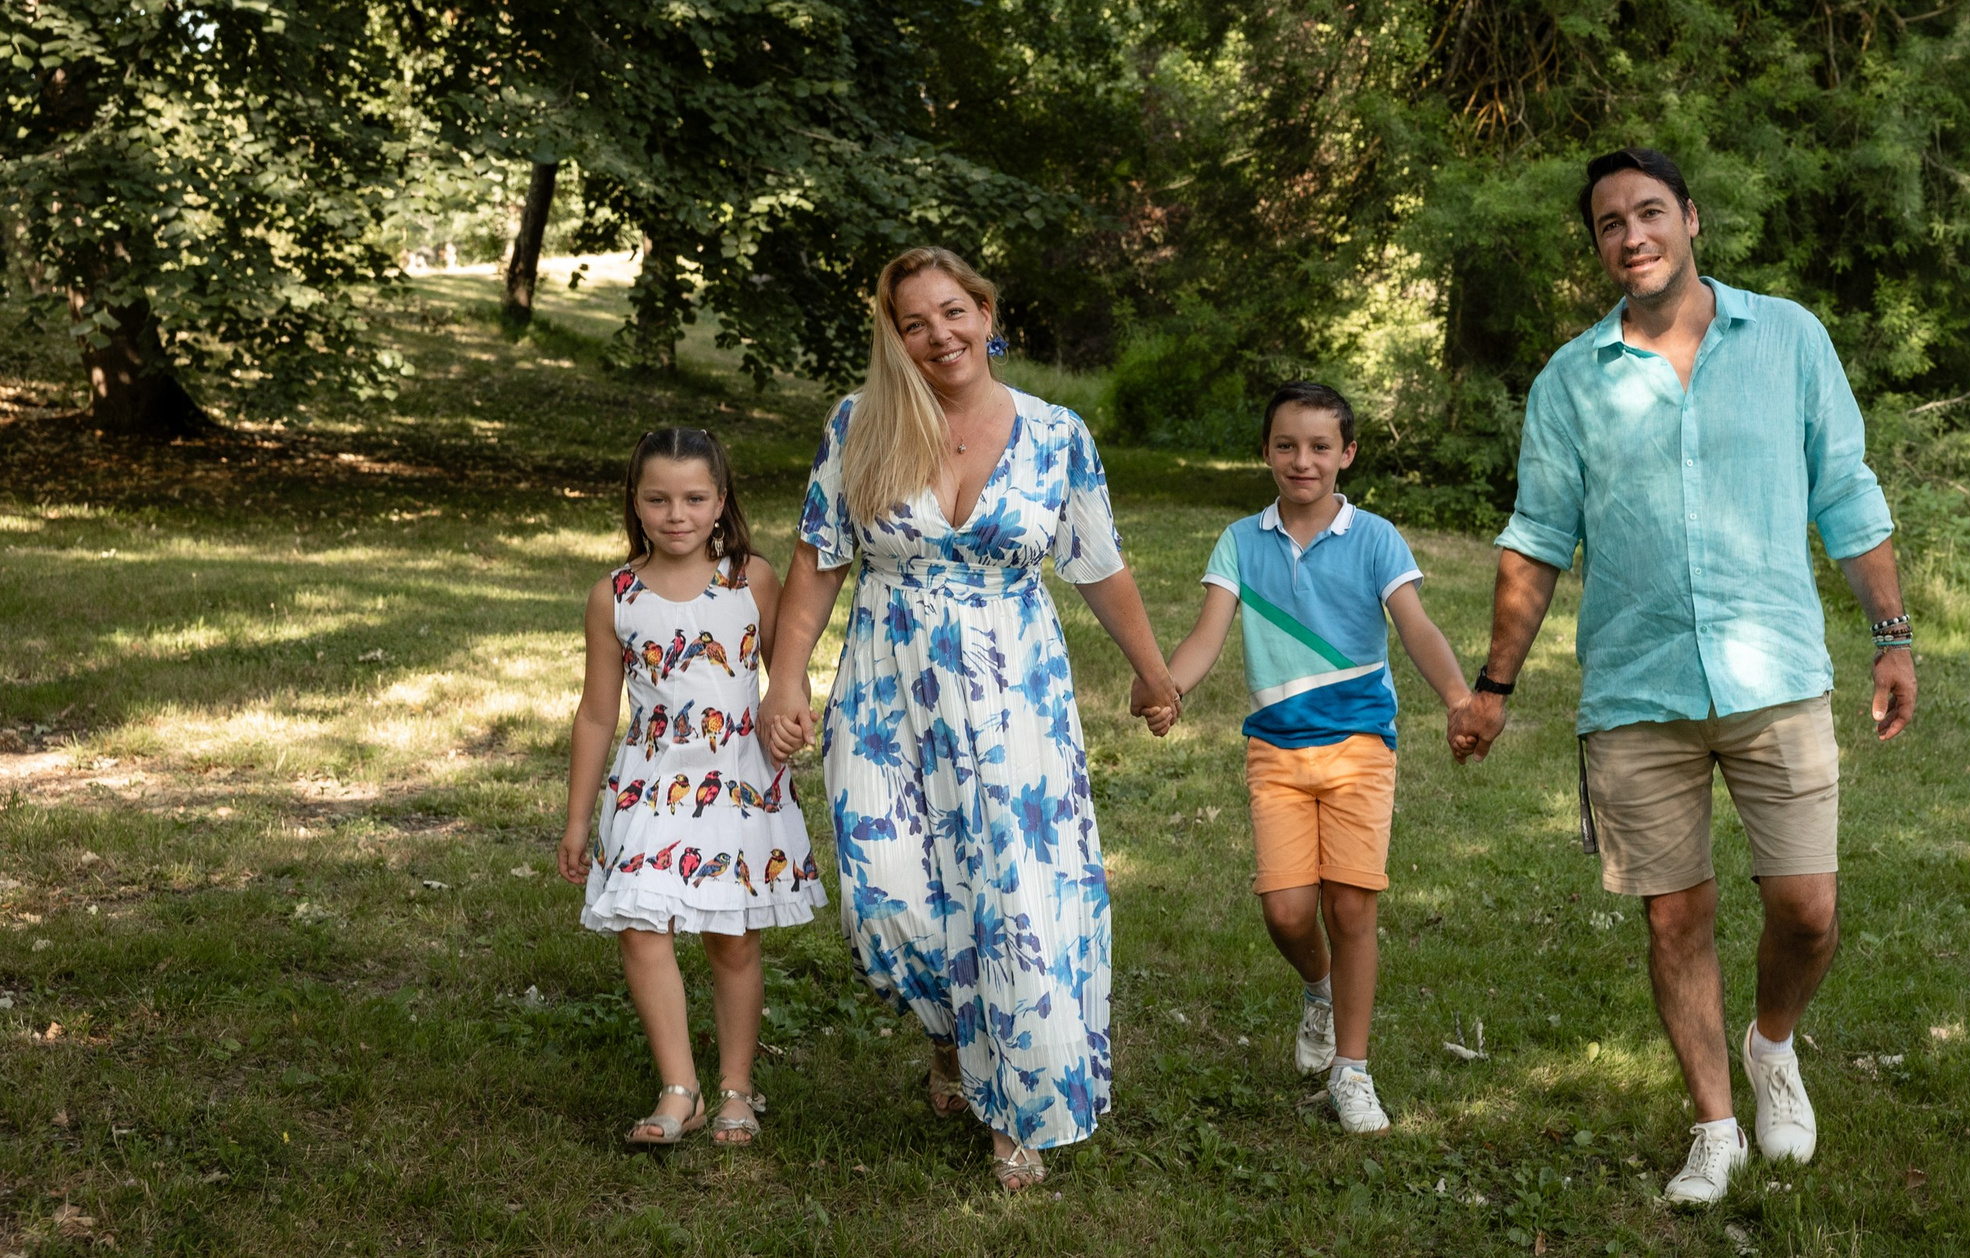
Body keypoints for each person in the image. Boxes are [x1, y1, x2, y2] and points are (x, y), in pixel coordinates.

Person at [1446, 147, 1918, 1208]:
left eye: (1649, 212)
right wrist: (1494, 686)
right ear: (1599, 245)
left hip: (1775, 673)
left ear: (1691, 218)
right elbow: (1536, 539)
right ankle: (1714, 1128)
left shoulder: (1787, 337)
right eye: (1610, 223)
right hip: (1637, 685)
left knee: (1807, 909)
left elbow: (1845, 491)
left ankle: (1772, 1043)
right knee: (1674, 919)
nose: (1632, 236)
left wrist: (1891, 636)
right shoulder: (1571, 379)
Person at [758, 246, 1184, 1192]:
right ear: (894, 337)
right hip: (885, 687)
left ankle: (1015, 1108)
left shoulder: (1056, 433)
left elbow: (1098, 562)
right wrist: (785, 681)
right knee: (888, 904)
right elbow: (819, 559)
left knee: (1014, 900)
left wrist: (1153, 673)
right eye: (914, 323)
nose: (939, 335)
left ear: (987, 313)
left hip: (1014, 691)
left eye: (953, 312)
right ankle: (956, 1036)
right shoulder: (860, 423)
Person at [1139, 382, 1478, 1135]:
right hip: (1277, 749)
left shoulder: (1376, 538)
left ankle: (1351, 1072)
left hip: (1360, 745)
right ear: (1265, 452)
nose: (1303, 461)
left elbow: (1416, 628)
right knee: (1288, 913)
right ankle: (1319, 988)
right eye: (1287, 445)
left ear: (1346, 454)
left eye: (1321, 447)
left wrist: (1458, 697)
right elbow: (1206, 635)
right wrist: (1171, 688)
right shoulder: (1240, 541)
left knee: (1351, 906)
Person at [556, 426, 824, 1149]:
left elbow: (787, 676)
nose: (677, 515)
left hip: (736, 782)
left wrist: (792, 718)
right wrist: (577, 821)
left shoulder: (751, 580)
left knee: (731, 939)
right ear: (635, 503)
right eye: (659, 500)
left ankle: (735, 1086)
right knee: (641, 927)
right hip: (649, 784)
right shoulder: (613, 596)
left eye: (694, 499)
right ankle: (681, 1089)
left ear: (721, 500)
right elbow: (596, 713)